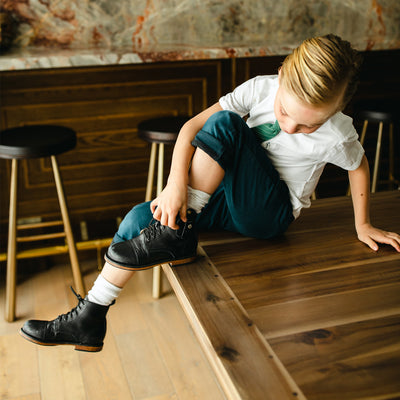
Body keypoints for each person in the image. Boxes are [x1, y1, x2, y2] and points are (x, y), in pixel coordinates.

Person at [20, 34, 400, 352]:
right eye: (284, 112)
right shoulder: (260, 88)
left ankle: (175, 235)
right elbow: (190, 127)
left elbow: (358, 165)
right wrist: (175, 185)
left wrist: (363, 224)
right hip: (226, 198)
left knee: (227, 125)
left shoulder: (337, 132)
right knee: (140, 218)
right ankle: (91, 316)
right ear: (282, 74)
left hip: (268, 214)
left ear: (335, 110)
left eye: (307, 126)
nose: (289, 127)